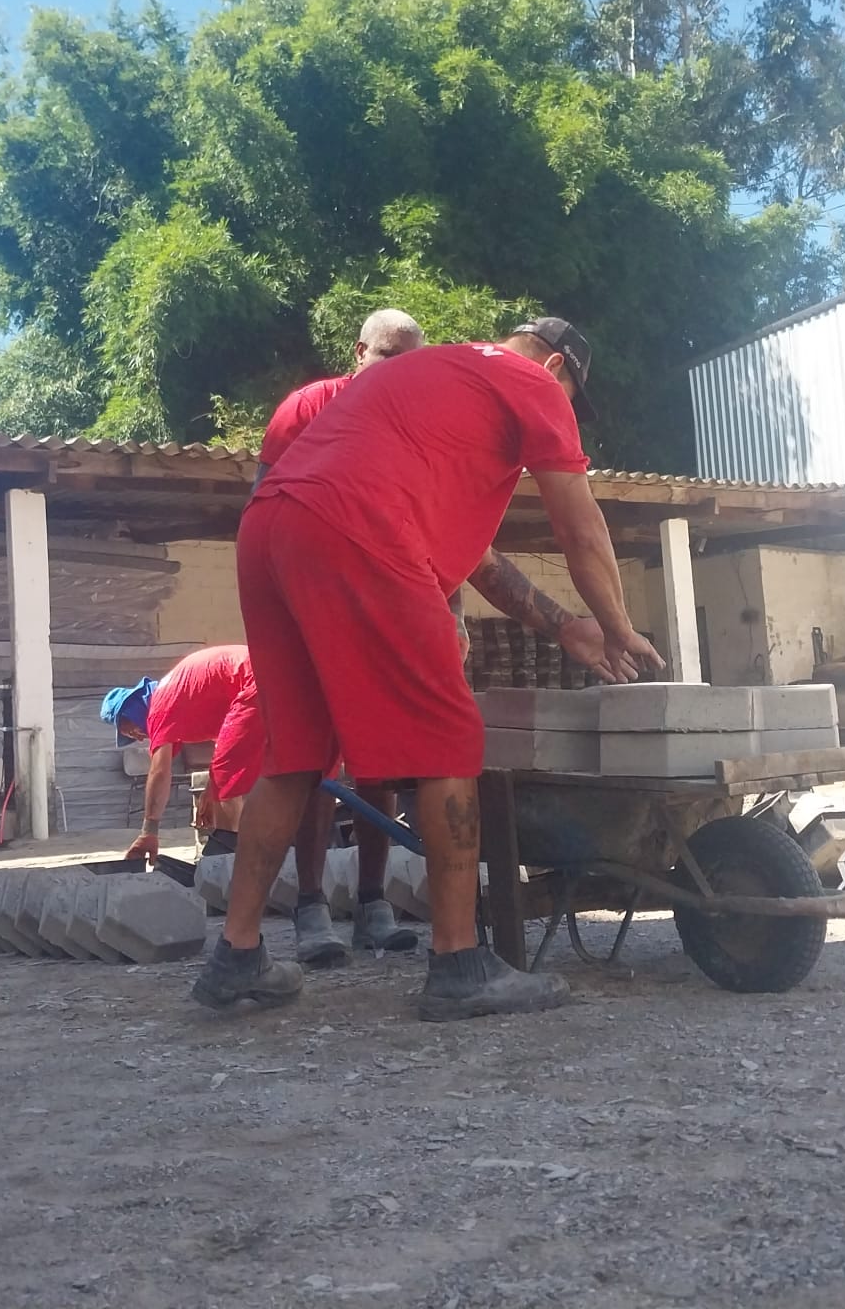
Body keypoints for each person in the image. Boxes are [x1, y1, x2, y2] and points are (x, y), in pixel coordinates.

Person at [192, 317, 664, 1022]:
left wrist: (569, 628)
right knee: (449, 737)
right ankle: (459, 962)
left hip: (271, 527)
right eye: (571, 394)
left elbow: (481, 562)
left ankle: (234, 956)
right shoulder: (532, 382)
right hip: (360, 526)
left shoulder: (434, 378)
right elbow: (579, 524)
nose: (566, 409)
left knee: (291, 755)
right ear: (557, 364)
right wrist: (622, 629)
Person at [255, 307, 430, 963]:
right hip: (307, 606)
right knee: (309, 760)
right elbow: (264, 508)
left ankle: (374, 905)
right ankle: (308, 908)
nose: (398, 374)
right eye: (388, 357)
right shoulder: (305, 409)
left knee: (382, 759)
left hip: (381, 605)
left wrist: (448, 613)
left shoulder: (416, 428)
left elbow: (432, 524)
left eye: (411, 363)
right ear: (359, 352)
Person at [101, 645, 262, 863]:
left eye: (131, 730)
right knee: (283, 772)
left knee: (227, 787)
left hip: (254, 681)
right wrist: (210, 787)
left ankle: (229, 864)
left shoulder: (159, 706)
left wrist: (149, 831)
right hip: (270, 673)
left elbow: (159, 770)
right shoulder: (182, 697)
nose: (139, 737)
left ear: (133, 710)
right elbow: (228, 745)